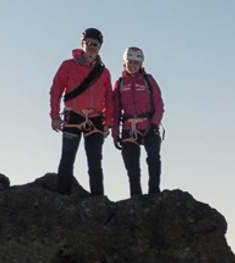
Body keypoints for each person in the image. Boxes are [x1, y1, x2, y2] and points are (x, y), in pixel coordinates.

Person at [50, 28, 116, 196]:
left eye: (96, 44)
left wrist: (108, 123)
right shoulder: (68, 66)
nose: (92, 47)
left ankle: (98, 201)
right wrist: (55, 116)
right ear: (83, 44)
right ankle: (62, 198)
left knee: (95, 162)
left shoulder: (104, 72)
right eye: (89, 43)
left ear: (100, 47)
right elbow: (56, 90)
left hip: (95, 120)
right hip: (73, 115)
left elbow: (109, 98)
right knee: (67, 159)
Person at [113, 46, 165, 197]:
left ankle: (154, 193)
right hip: (129, 127)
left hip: (149, 125)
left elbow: (159, 104)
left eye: (136, 62)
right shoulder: (120, 83)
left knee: (153, 158)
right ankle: (136, 197)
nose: (133, 65)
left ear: (141, 64)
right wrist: (115, 133)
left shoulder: (148, 80)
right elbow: (116, 110)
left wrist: (155, 124)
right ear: (125, 62)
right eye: (130, 62)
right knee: (132, 166)